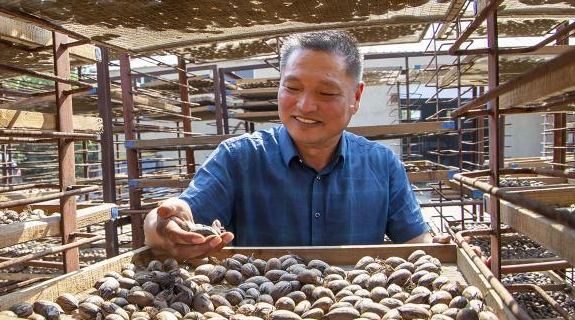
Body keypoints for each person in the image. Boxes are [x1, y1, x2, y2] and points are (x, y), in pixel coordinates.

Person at [145, 31, 433, 259]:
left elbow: (418, 245)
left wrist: (439, 248)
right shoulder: (238, 158)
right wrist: (163, 223)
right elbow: (171, 221)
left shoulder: (382, 165)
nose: (305, 106)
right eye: (292, 88)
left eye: (327, 92)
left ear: (356, 97)